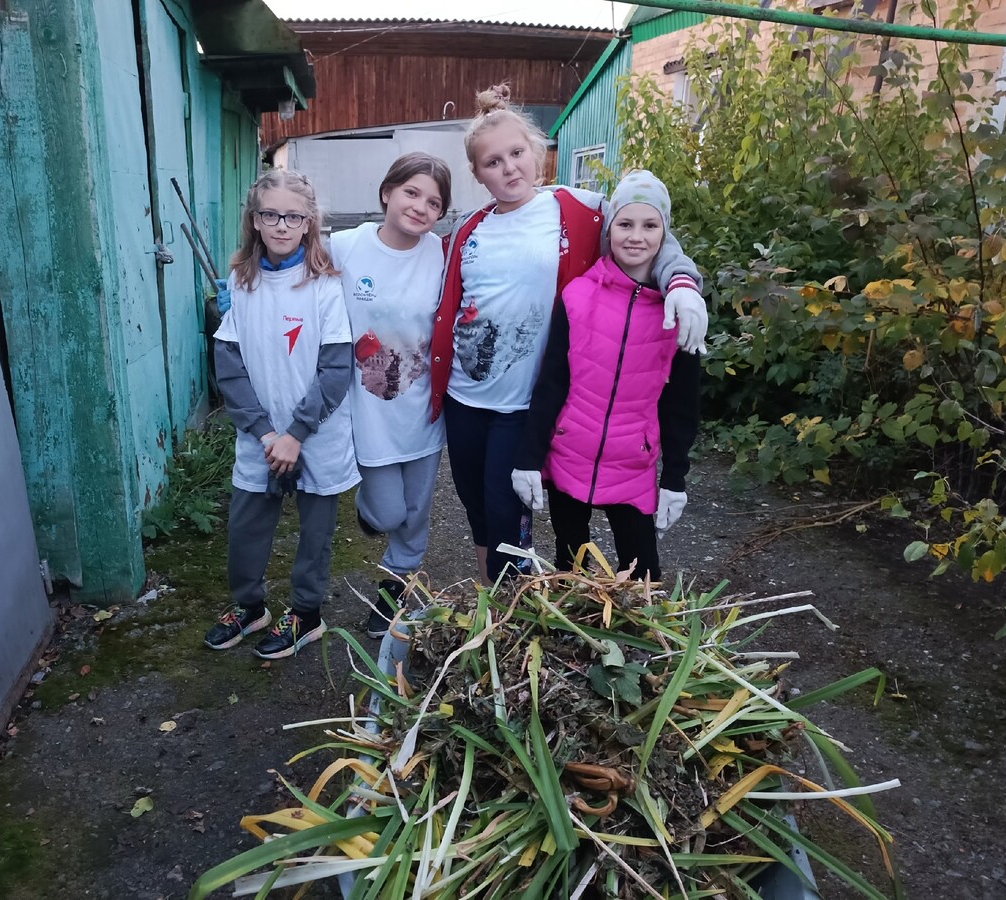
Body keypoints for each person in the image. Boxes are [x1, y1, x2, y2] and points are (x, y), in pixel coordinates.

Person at [429, 85, 707, 586]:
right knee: (476, 506)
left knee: (505, 509)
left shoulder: (580, 209)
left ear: (537, 151)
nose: (509, 168)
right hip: (465, 397)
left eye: (517, 153)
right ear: (477, 173)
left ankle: (514, 601)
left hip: (526, 401)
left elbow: (647, 230)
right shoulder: (469, 227)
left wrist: (682, 284)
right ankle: (487, 604)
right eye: (493, 162)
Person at [511, 170, 701, 582]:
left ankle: (633, 643)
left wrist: (675, 477)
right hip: (569, 455)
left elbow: (682, 403)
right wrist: (529, 457)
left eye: (650, 225)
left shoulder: (680, 312)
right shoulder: (577, 296)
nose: (636, 236)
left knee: (642, 574)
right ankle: (575, 641)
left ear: (665, 233)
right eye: (625, 223)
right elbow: (552, 382)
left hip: (632, 464)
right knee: (571, 566)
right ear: (609, 227)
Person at [203, 170, 359, 659]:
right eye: (270, 214)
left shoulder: (324, 285)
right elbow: (229, 365)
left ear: (310, 221)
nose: (281, 225)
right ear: (254, 219)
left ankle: (306, 613)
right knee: (246, 526)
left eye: (293, 215)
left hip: (316, 436)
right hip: (260, 437)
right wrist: (265, 431)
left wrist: (295, 433)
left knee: (316, 531)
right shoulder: (240, 282)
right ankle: (250, 607)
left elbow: (335, 369)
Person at [329, 153, 452, 638]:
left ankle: (394, 590)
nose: (421, 207)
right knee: (388, 512)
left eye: (434, 202)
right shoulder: (345, 247)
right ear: (387, 192)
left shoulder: (442, 255)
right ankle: (367, 511)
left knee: (416, 514)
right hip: (368, 412)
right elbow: (293, 272)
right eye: (412, 192)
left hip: (422, 411)